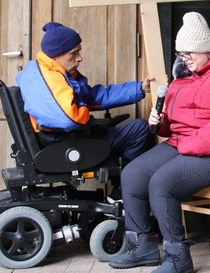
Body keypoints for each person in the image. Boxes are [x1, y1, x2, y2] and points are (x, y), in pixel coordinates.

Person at [108, 12, 210, 273]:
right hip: (187, 144)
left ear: (205, 48)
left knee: (162, 182)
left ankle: (178, 257)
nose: (184, 58)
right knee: (133, 174)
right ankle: (142, 245)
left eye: (188, 52)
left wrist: (189, 144)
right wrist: (161, 122)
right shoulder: (181, 80)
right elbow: (177, 125)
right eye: (181, 53)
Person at [16, 21, 155, 196]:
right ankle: (125, 193)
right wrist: (88, 115)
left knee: (128, 129)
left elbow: (92, 97)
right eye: (73, 53)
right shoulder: (50, 79)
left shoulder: (47, 70)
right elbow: (69, 117)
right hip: (67, 143)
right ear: (56, 55)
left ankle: (123, 191)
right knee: (141, 129)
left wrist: (139, 88)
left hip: (65, 139)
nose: (79, 57)